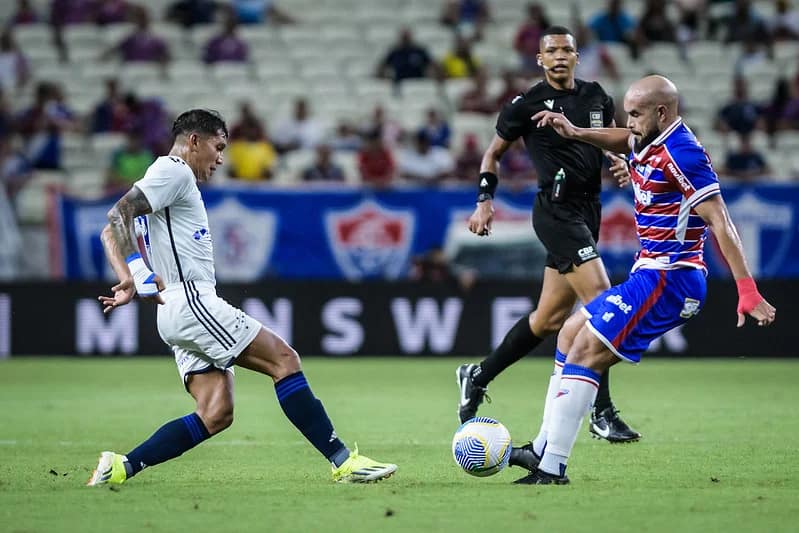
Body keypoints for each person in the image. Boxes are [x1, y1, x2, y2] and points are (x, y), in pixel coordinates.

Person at [87, 109, 397, 486]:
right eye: (217, 148)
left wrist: (128, 277)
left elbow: (110, 232)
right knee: (284, 360)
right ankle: (343, 461)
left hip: (173, 311)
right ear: (194, 142)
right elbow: (117, 213)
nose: (220, 159)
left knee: (216, 412)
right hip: (191, 301)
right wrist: (138, 273)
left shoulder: (165, 180)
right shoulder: (174, 170)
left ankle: (120, 466)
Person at [519, 75, 776, 485]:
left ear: (662, 112)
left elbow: (721, 220)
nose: (629, 122)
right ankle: (541, 447)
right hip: (650, 271)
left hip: (672, 278)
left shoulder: (683, 152)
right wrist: (578, 132)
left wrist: (747, 289)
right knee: (569, 332)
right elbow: (625, 140)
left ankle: (552, 469)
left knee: (586, 349)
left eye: (636, 114)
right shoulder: (650, 137)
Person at [455, 26, 641, 468]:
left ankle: (477, 375)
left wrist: (620, 161)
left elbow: (607, 141)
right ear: (539, 59)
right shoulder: (525, 104)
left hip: (588, 209)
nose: (560, 56)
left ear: (578, 57)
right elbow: (492, 155)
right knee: (603, 302)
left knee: (549, 318)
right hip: (555, 211)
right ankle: (602, 412)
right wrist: (484, 201)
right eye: (551, 51)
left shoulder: (596, 96)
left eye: (567, 50)